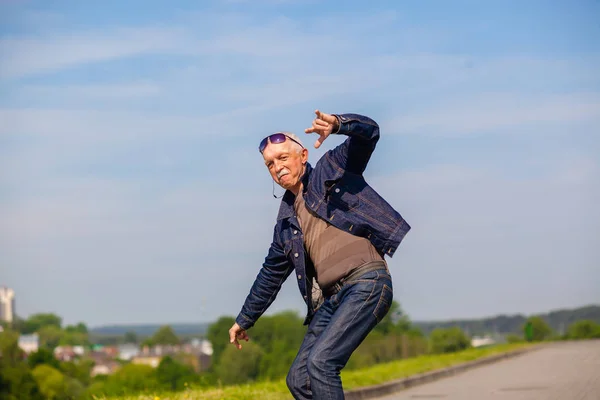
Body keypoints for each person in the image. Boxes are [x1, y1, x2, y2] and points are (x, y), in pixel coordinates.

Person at [228, 110, 411, 399]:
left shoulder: (331, 169)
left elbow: (370, 133)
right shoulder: (286, 224)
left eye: (283, 158)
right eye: (270, 164)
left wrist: (340, 124)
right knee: (299, 379)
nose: (277, 167)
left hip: (366, 283)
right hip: (332, 300)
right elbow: (270, 275)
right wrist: (244, 319)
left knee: (322, 363)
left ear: (302, 155)